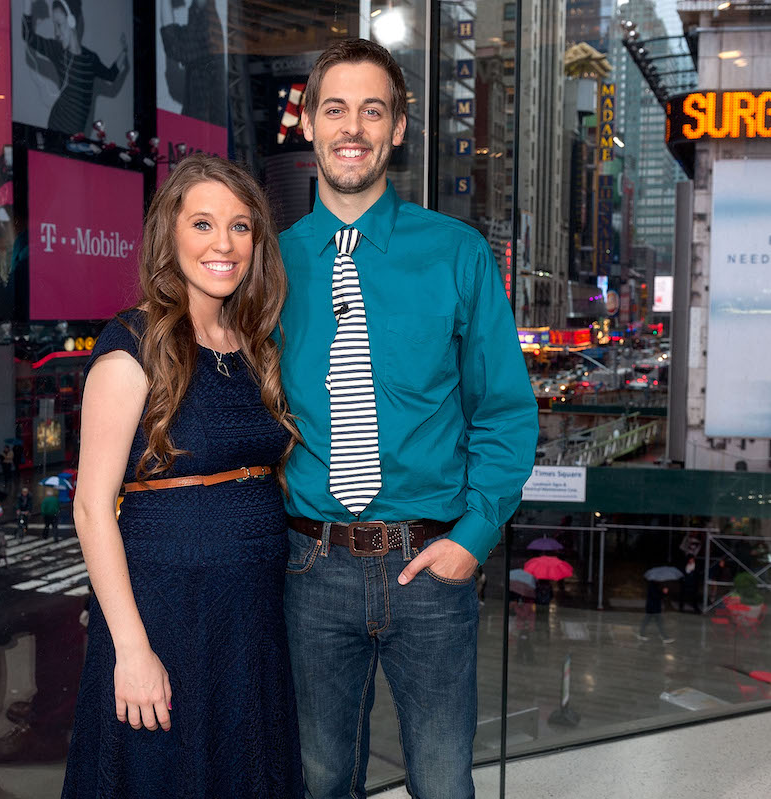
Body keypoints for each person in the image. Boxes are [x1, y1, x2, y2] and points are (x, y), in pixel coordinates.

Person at [277, 39, 538, 798]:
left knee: (442, 782)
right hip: (309, 567)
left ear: (396, 129)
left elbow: (504, 412)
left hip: (432, 565)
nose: (350, 127)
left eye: (371, 110)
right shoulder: (269, 263)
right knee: (322, 780)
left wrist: (473, 538)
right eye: (334, 109)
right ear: (306, 124)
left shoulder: (457, 253)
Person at [62, 154, 302, 797]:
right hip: (166, 611)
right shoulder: (132, 345)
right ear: (170, 234)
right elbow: (90, 509)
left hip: (249, 617)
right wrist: (132, 651)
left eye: (241, 226)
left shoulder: (255, 344)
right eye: (203, 224)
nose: (224, 244)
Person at [20, 1, 129, 135]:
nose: (56, 33)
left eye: (59, 25)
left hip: (77, 134)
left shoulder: (91, 59)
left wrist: (124, 51)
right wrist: (27, 3)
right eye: (55, 26)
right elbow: (27, 35)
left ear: (72, 22)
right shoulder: (58, 51)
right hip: (57, 128)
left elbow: (111, 75)